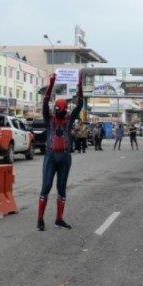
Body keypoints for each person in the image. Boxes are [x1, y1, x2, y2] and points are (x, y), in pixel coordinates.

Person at [37, 72, 84, 231]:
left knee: (62, 188)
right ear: (55, 109)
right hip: (51, 155)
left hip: (64, 156)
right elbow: (45, 101)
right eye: (59, 111)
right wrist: (51, 84)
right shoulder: (49, 119)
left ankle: (59, 219)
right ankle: (40, 219)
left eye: (63, 111)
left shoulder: (68, 120)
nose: (61, 114)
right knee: (46, 186)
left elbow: (80, 105)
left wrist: (80, 86)